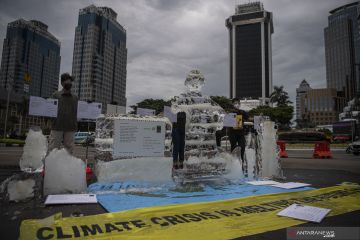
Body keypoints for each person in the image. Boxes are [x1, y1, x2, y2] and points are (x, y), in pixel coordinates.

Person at [48, 73, 78, 154]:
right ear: (62, 83)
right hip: (57, 126)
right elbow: (49, 109)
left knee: (69, 149)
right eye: (67, 82)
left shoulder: (75, 98)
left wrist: (89, 105)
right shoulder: (56, 95)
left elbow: (80, 110)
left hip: (70, 127)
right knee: (53, 148)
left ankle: (67, 166)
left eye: (70, 82)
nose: (69, 83)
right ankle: (50, 165)